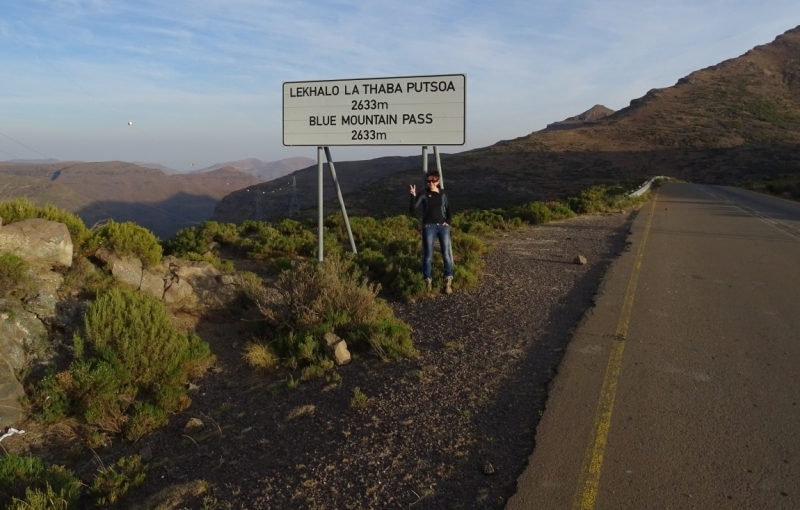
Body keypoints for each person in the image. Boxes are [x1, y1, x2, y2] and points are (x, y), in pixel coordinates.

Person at [409, 170, 454, 294]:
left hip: (443, 227)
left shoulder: (443, 193)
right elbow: (413, 211)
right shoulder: (423, 193)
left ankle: (448, 280)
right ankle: (427, 280)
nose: (431, 183)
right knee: (428, 255)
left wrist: (448, 221)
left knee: (446, 253)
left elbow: (449, 208)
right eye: (428, 181)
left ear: (438, 181)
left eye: (433, 181)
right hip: (429, 227)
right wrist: (412, 196)